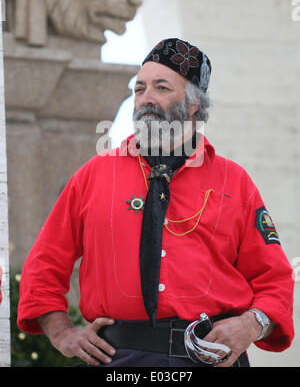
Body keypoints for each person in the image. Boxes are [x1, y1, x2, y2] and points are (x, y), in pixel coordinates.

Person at [17, 38, 294, 368]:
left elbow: (274, 280)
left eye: (161, 88)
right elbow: (43, 267)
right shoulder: (93, 175)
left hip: (209, 360)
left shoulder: (234, 182)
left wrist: (252, 325)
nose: (145, 99)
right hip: (114, 361)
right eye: (139, 89)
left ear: (193, 103)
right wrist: (62, 332)